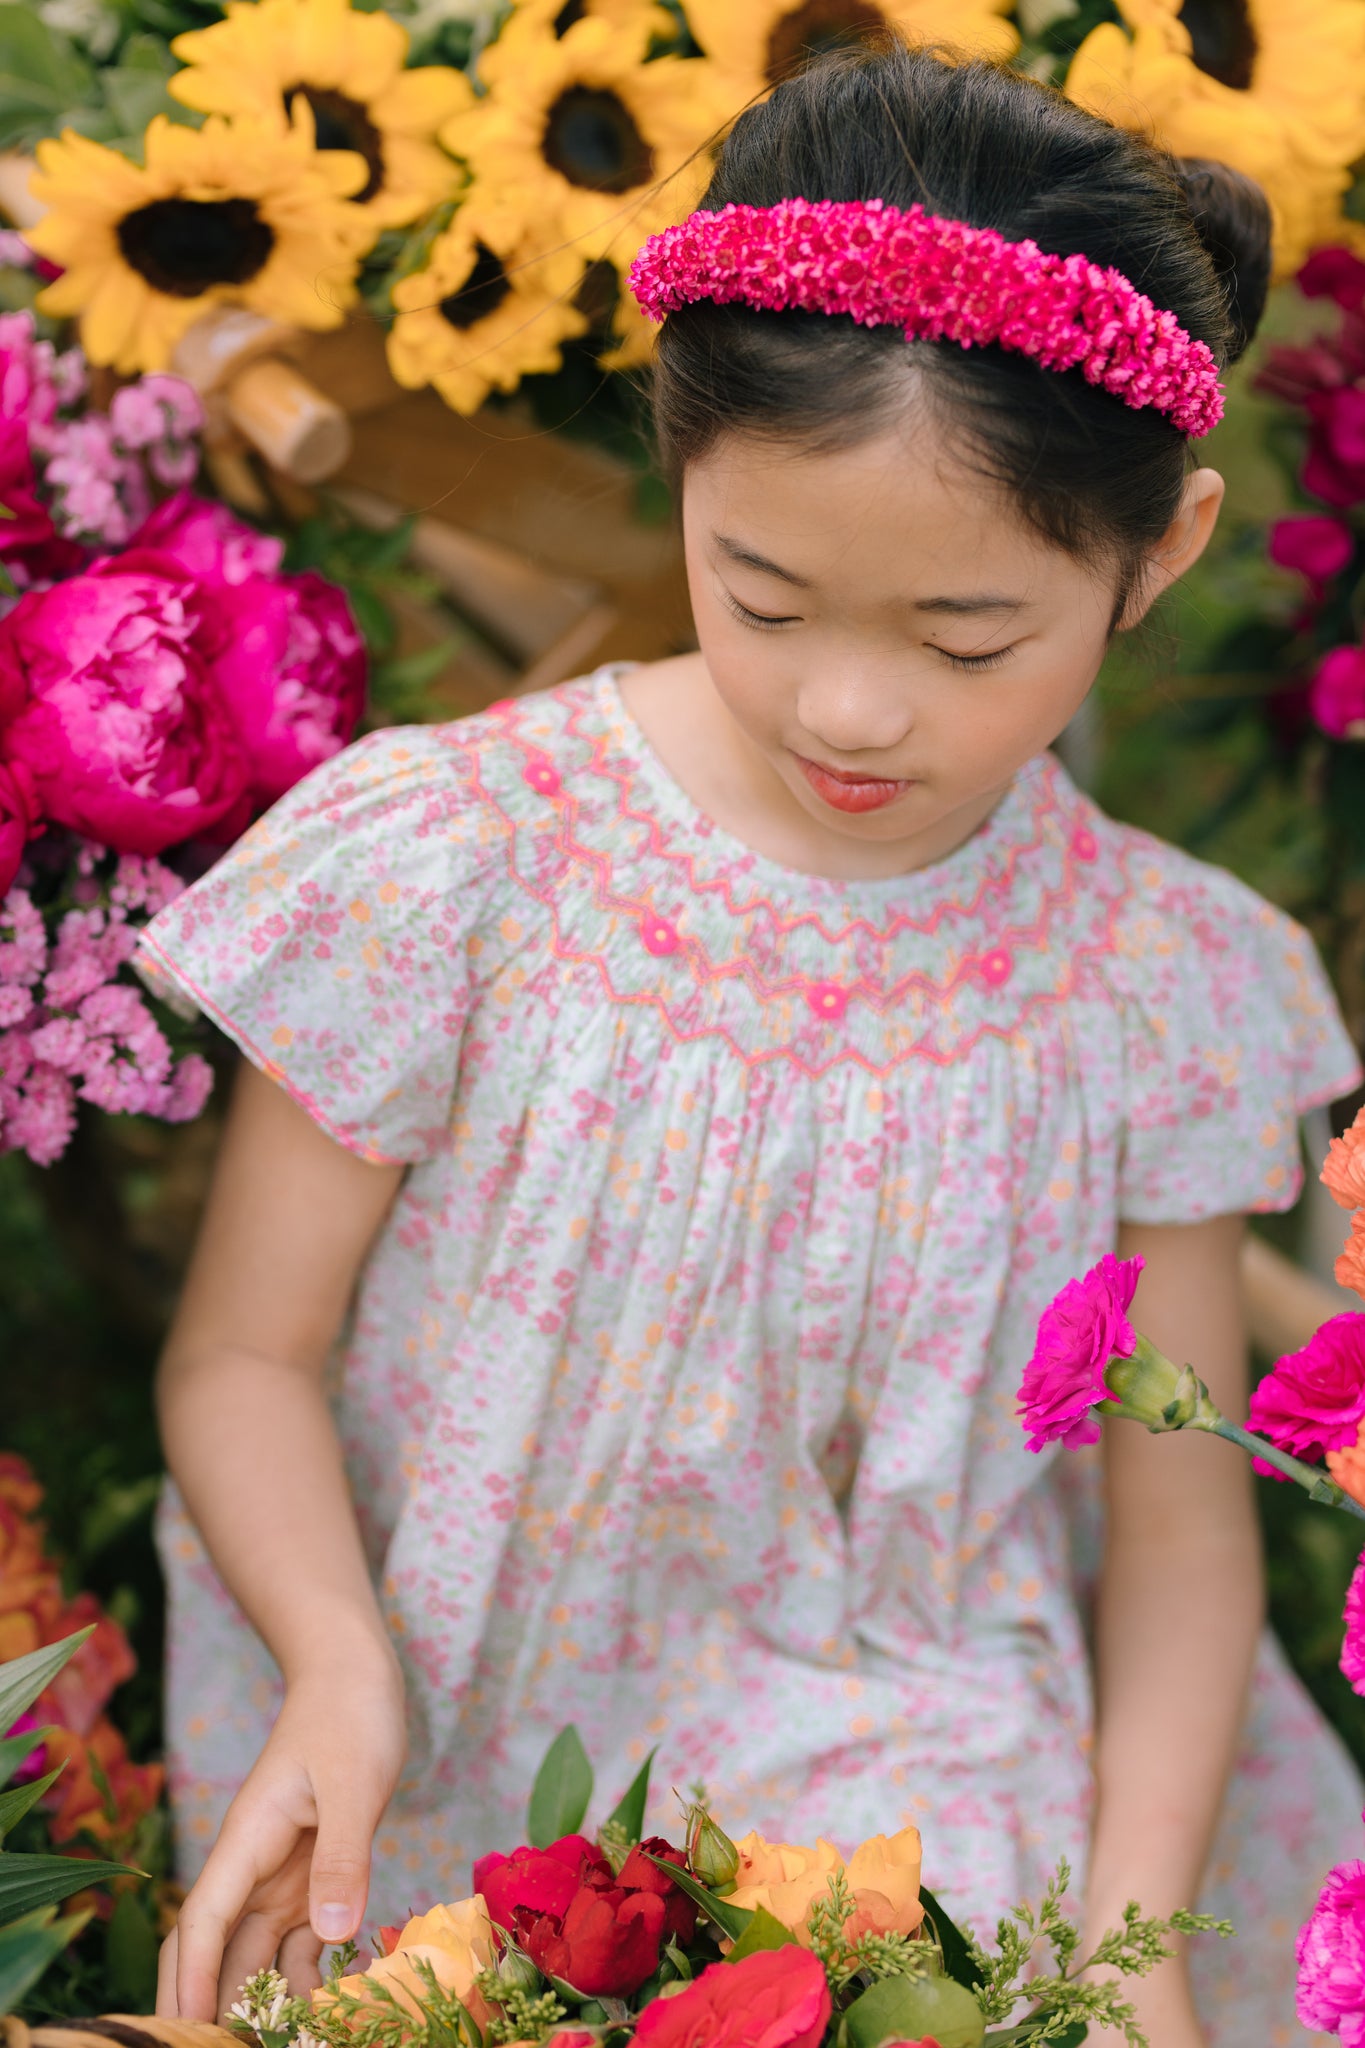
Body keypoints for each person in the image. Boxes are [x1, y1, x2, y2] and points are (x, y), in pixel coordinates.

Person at [140, 40, 1361, 2047]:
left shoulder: (1153, 979)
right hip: (445, 1721)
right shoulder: (464, 861)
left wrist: (1123, 1956)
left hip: (928, 1731)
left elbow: (1170, 1540)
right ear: (682, 473)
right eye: (761, 594)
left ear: (1154, 551)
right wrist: (335, 1668)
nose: (854, 710)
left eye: (966, 640)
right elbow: (244, 1354)